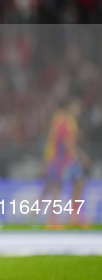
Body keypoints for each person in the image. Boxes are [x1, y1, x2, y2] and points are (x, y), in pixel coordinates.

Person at [40, 97, 89, 228]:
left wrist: (80, 155)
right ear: (69, 106)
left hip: (69, 159)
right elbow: (60, 142)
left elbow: (71, 142)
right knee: (55, 187)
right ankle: (52, 219)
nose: (79, 109)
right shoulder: (60, 119)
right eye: (76, 106)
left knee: (79, 182)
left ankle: (74, 216)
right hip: (59, 159)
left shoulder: (72, 122)